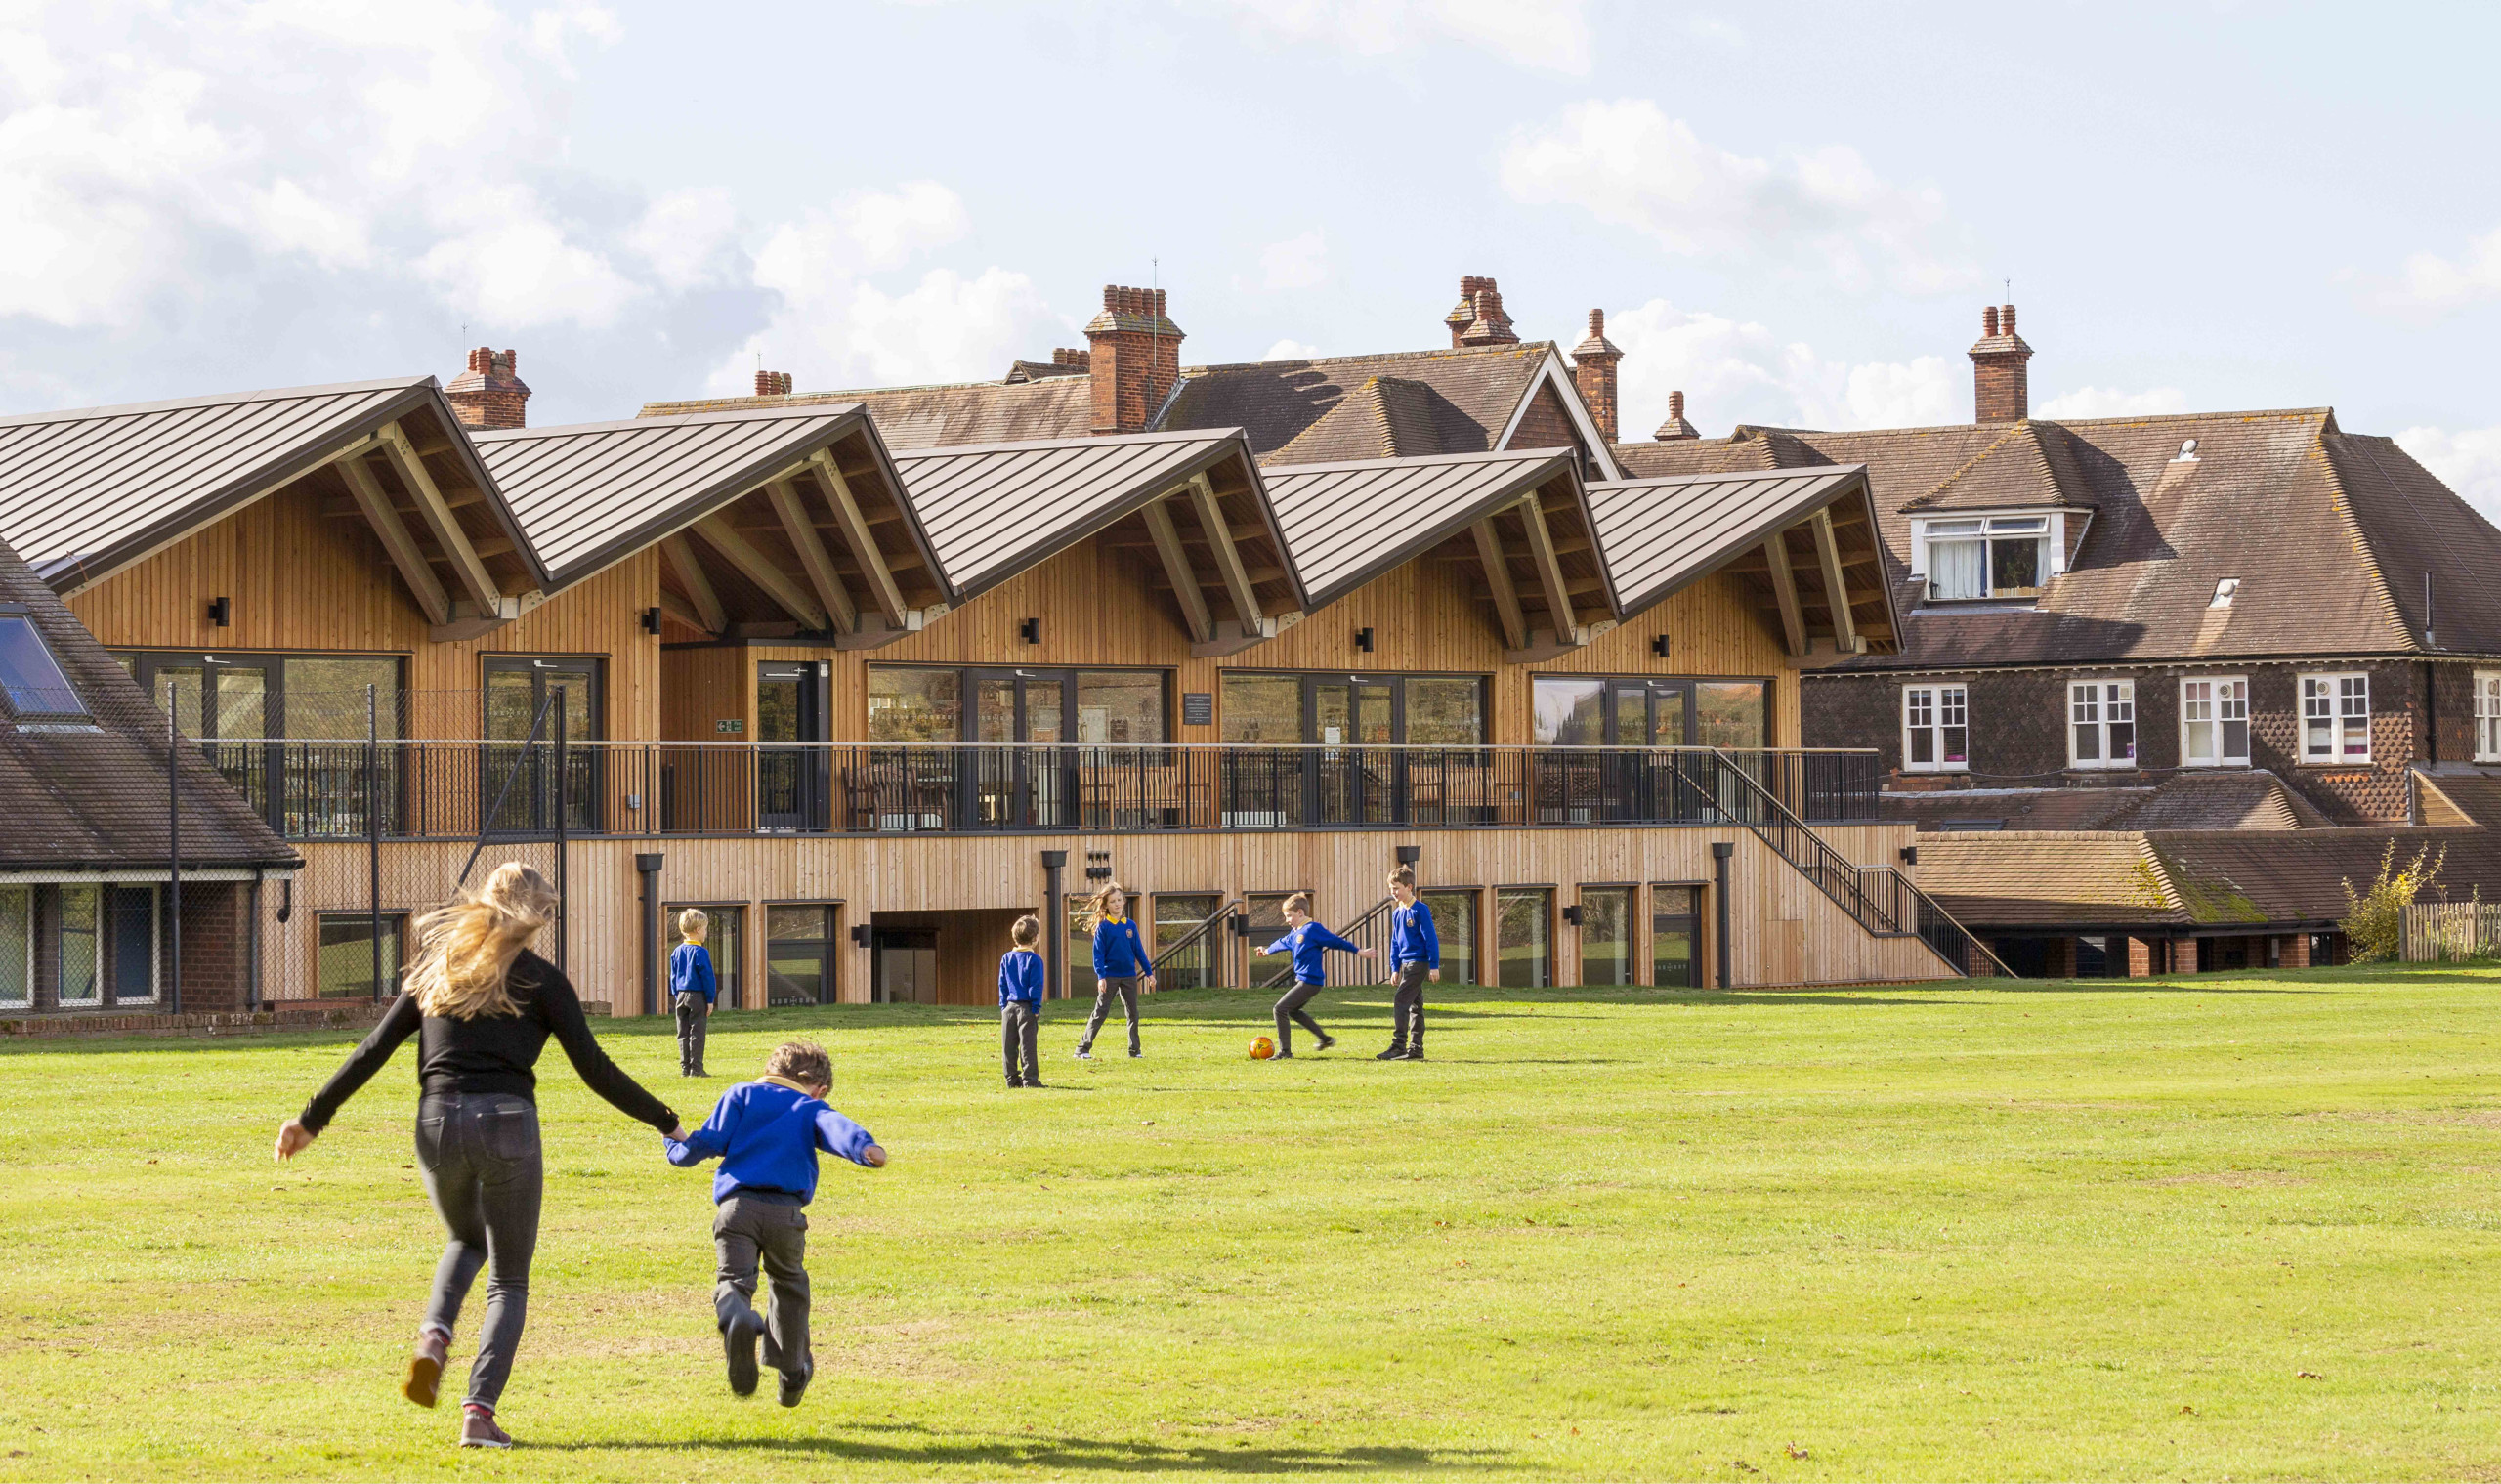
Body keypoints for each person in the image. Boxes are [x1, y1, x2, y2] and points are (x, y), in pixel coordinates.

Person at [274, 863, 686, 1450]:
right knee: (508, 1279)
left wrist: (310, 1119)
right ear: (540, 916)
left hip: (436, 1123)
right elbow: (596, 1069)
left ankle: (433, 1339)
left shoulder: (436, 970)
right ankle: (479, 1412)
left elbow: (372, 1050)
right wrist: (665, 1120)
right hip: (508, 1124)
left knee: (466, 1240)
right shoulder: (541, 980)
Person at [664, 1040, 886, 1407]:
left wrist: (673, 1145)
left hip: (736, 1209)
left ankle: (736, 1314)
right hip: (785, 1214)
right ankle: (792, 1371)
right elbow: (836, 1128)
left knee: (733, 1280)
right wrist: (865, 1148)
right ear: (821, 1089)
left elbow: (704, 1143)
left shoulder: (740, 1095)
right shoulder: (809, 1106)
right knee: (788, 1285)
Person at [1255, 892, 1376, 1058]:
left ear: (1300, 913)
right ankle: (1325, 1039)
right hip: (1306, 981)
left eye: (1289, 916)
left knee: (1279, 1009)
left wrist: (1359, 951)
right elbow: (1282, 942)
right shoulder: (1296, 932)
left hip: (1310, 982)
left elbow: (1336, 941)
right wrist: (1267, 950)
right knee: (1294, 1011)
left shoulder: (1312, 929)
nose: (1287, 920)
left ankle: (1285, 1052)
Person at [1075, 881, 1156, 1060]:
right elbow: (1098, 955)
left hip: (1128, 976)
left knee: (1133, 1013)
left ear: (1124, 901)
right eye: (1112, 901)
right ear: (1106, 905)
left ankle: (1135, 1051)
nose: (1117, 904)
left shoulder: (1130, 926)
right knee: (1100, 1012)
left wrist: (1149, 973)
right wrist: (1101, 976)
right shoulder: (1103, 927)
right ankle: (1082, 1049)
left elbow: (1139, 951)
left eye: (1119, 899)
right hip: (1109, 977)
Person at [1380, 867, 1439, 1061]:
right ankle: (1416, 1050)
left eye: (1396, 888)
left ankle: (1398, 1045)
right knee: (1415, 1006)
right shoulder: (1397, 913)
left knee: (1401, 1000)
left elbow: (1430, 938)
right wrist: (1394, 967)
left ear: (1409, 887)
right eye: (1391, 889)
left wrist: (1434, 965)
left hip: (1418, 963)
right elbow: (1395, 942)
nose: (1393, 892)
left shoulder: (1420, 910)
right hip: (1406, 964)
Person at [998, 913, 1046, 1088]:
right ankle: (1030, 1080)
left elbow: (1002, 983)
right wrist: (1036, 1007)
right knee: (1027, 1046)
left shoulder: (1006, 958)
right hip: (1026, 1007)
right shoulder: (1034, 960)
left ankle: (1011, 1079)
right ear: (1035, 938)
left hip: (1009, 1007)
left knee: (1008, 1046)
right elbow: (1036, 985)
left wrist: (1003, 1004)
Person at [670, 908, 718, 1078]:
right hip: (697, 996)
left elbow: (673, 976)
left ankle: (685, 1068)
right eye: (705, 929)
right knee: (697, 1032)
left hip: (681, 996)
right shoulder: (701, 952)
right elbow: (708, 978)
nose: (706, 933)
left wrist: (676, 995)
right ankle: (696, 1069)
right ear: (697, 930)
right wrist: (710, 999)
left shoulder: (677, 951)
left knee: (682, 1032)